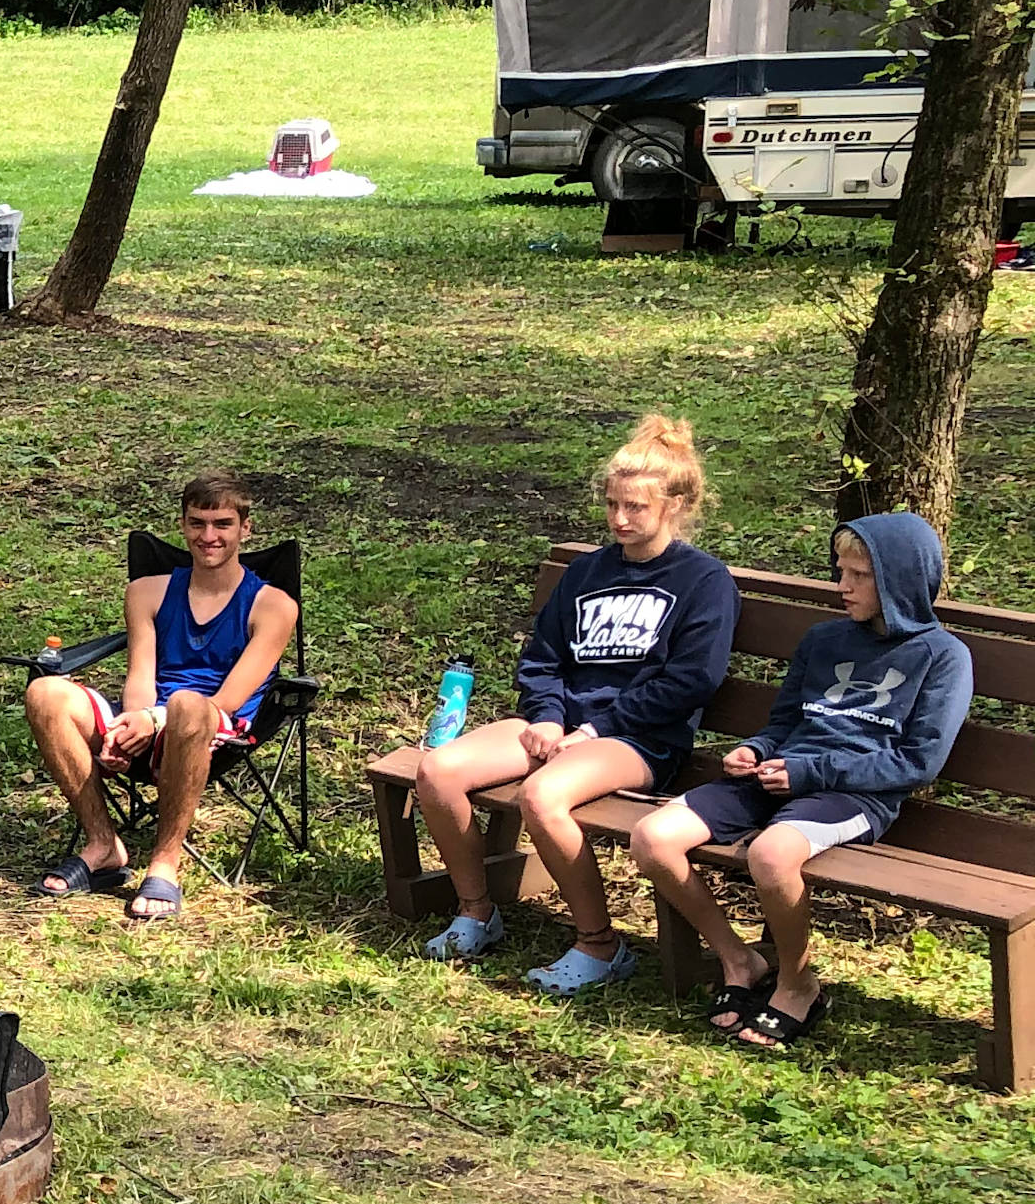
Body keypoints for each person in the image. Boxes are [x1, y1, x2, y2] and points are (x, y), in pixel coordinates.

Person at [407, 416, 737, 994]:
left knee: (542, 794)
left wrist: (592, 729)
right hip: (560, 727)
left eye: (634, 507)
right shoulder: (587, 571)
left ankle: (599, 945)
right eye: (612, 504)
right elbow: (543, 656)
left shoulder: (703, 581)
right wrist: (547, 715)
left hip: (637, 737)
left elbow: (691, 682)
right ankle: (476, 911)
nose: (619, 519)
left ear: (676, 505)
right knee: (436, 770)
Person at [634, 513, 972, 1052]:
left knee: (770, 856)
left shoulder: (942, 657)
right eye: (841, 571)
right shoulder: (823, 640)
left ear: (899, 580)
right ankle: (738, 959)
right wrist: (755, 750)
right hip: (780, 775)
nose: (842, 586)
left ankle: (798, 984)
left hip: (854, 793)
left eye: (858, 575)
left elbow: (918, 763)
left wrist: (807, 772)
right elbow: (786, 721)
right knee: (652, 839)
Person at [18, 471, 300, 921]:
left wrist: (156, 718)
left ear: (245, 529)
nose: (209, 536)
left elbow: (226, 701)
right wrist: (129, 725)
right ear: (184, 525)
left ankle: (165, 862)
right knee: (45, 692)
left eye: (222, 524)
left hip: (211, 725)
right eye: (198, 523)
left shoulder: (275, 606)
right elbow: (141, 674)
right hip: (150, 717)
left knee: (188, 703)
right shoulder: (146, 592)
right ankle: (103, 846)